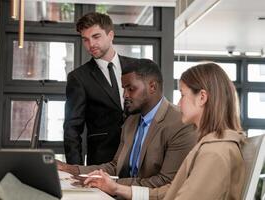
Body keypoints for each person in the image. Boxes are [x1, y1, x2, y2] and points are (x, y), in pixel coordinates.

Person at [84, 62, 245, 200]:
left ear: (202, 97)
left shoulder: (214, 153)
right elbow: (171, 191)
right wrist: (117, 189)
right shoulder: (212, 146)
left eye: (182, 95)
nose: (179, 103)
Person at [58, 58, 197, 188]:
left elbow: (165, 182)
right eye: (124, 89)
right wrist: (71, 169)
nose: (125, 95)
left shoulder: (181, 123)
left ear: (152, 87)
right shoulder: (131, 120)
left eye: (131, 89)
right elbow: (115, 166)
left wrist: (113, 185)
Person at [64, 12, 138, 165]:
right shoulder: (78, 77)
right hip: (101, 161)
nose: (91, 44)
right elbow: (72, 129)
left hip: (138, 156)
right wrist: (76, 170)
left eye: (96, 37)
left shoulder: (136, 67)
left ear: (111, 35)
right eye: (85, 39)